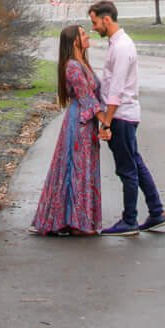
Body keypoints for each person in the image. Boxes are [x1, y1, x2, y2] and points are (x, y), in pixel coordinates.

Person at [88, 0, 165, 236]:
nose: (93, 28)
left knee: (127, 170)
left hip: (121, 116)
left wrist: (107, 121)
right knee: (136, 163)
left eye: (95, 22)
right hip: (124, 114)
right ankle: (156, 212)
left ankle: (129, 220)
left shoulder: (122, 47)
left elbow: (117, 89)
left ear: (106, 19)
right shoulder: (117, 44)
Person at [30, 23, 104, 236]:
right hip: (78, 122)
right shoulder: (72, 66)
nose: (87, 35)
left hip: (88, 121)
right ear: (75, 41)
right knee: (76, 168)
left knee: (85, 168)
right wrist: (105, 122)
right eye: (83, 34)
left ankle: (81, 220)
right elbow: (86, 97)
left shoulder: (83, 63)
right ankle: (75, 221)